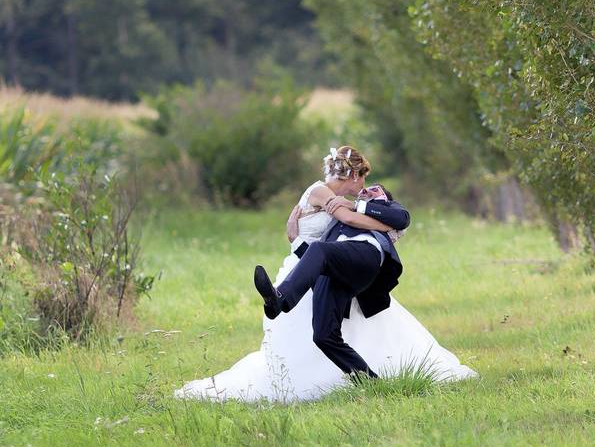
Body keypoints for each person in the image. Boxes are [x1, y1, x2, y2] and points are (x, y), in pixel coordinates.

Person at [174, 146, 476, 402]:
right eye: (363, 182)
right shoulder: (326, 200)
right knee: (323, 334)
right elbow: (319, 244)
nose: (366, 187)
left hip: (362, 254)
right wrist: (296, 242)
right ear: (353, 174)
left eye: (371, 187)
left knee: (321, 256)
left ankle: (280, 300)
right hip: (332, 264)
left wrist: (370, 212)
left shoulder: (375, 200)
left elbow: (401, 218)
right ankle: (372, 384)